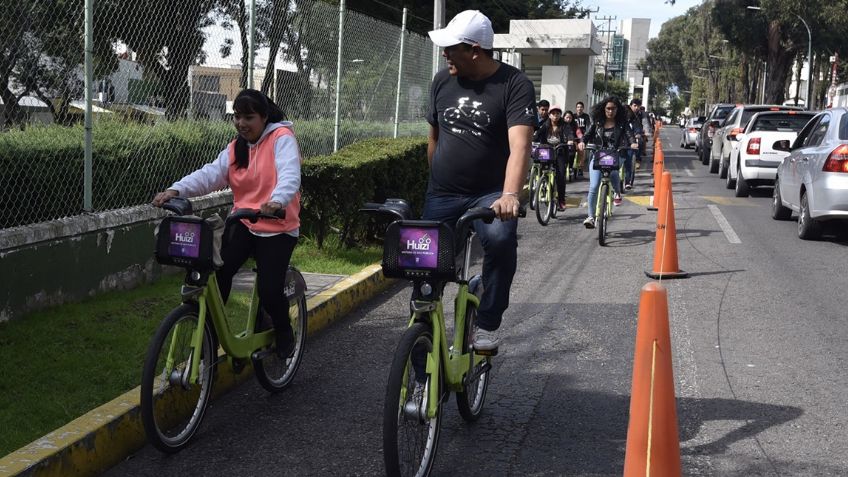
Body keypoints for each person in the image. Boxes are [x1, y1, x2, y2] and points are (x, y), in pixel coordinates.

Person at [152, 89, 302, 359]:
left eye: (249, 117)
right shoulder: (237, 147)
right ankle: (207, 336)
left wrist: (278, 200)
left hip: (277, 225)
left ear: (264, 117)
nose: (241, 123)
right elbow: (210, 174)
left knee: (270, 290)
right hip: (244, 221)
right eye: (237, 117)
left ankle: (284, 331)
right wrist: (177, 190)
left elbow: (290, 173)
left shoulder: (282, 138)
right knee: (217, 272)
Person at [427, 9, 536, 350]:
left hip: (490, 194)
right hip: (443, 193)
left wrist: (509, 195)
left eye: (451, 47)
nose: (445, 54)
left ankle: (488, 321)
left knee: (502, 240)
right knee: (423, 261)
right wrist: (435, 180)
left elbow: (520, 146)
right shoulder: (442, 80)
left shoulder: (514, 85)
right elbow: (433, 138)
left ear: (475, 49)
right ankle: (419, 365)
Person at [577, 96, 637, 229]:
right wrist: (582, 143)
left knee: (614, 170)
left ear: (617, 109)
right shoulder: (597, 122)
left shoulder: (622, 123)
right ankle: (591, 217)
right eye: (608, 108)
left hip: (615, 154)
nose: (610, 111)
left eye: (613, 108)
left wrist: (632, 143)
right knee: (593, 187)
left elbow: (629, 134)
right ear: (603, 109)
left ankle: (617, 191)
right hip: (598, 155)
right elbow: (587, 135)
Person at [533, 105, 581, 210]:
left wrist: (570, 140)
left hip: (560, 152)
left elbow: (569, 133)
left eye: (557, 114)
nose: (555, 116)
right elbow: (537, 134)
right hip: (547, 151)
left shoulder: (564, 125)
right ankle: (543, 185)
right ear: (549, 115)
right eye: (553, 114)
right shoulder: (545, 125)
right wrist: (532, 139)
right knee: (543, 169)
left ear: (560, 115)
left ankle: (561, 200)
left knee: (560, 176)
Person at [624, 98, 645, 189]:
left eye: (638, 106)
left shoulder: (635, 119)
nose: (636, 108)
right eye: (634, 106)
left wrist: (638, 134)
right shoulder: (619, 119)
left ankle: (628, 182)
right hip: (619, 143)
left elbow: (638, 129)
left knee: (629, 161)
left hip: (630, 144)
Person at [573, 101, 592, 179]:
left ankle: (580, 168)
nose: (579, 108)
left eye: (581, 107)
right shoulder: (573, 116)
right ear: (576, 108)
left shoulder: (586, 116)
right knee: (572, 151)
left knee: (581, 152)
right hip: (573, 136)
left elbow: (588, 126)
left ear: (583, 108)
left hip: (582, 137)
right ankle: (572, 167)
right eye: (578, 107)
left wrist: (585, 136)